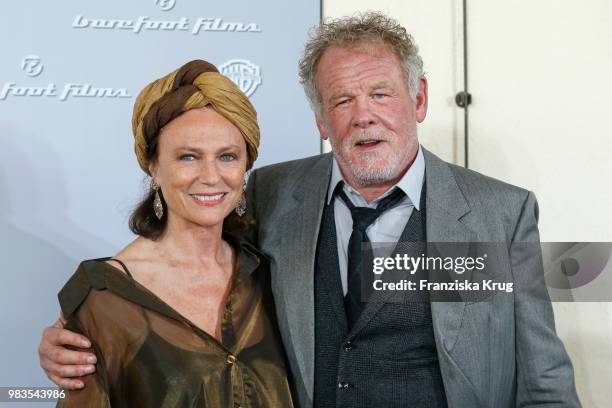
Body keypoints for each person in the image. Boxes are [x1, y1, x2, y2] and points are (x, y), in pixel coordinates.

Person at [39, 12, 580, 408]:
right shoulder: (275, 193)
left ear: (418, 99)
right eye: (341, 101)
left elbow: (544, 382)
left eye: (381, 94)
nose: (363, 116)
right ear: (321, 120)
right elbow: (179, 270)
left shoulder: (498, 215)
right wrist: (81, 334)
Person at [50, 59, 293, 407]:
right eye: (188, 157)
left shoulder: (268, 273)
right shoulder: (103, 296)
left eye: (227, 156)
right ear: (154, 167)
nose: (211, 176)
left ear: (245, 167)